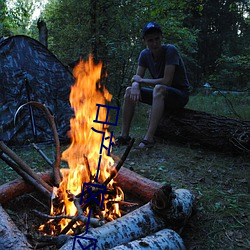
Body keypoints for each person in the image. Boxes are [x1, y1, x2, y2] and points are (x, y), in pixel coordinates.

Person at [116, 21, 191, 148]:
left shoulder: (170, 50)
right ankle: (124, 136)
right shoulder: (144, 54)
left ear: (161, 37)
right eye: (150, 40)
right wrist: (135, 85)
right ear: (145, 41)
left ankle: (149, 138)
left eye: (157, 39)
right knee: (129, 91)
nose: (154, 43)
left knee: (159, 88)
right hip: (160, 95)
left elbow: (167, 81)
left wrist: (141, 81)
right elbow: (137, 78)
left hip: (179, 95)